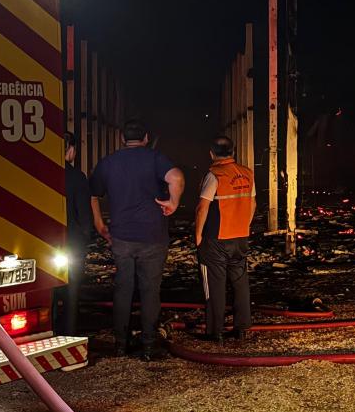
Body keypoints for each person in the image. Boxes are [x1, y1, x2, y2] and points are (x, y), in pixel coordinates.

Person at [89, 119, 184, 357]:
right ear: (146, 138)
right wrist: (173, 203)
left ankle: (120, 344)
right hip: (153, 236)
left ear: (123, 138)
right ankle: (149, 345)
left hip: (122, 237)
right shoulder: (155, 158)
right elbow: (177, 178)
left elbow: (93, 194)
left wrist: (99, 224)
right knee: (150, 291)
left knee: (123, 289)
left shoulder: (108, 162)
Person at [194, 135, 255, 341]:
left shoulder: (214, 175)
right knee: (240, 283)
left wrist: (198, 235)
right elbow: (253, 204)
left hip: (217, 239)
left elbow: (202, 208)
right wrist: (244, 226)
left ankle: (216, 331)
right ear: (233, 151)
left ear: (211, 154)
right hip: (240, 237)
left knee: (215, 285)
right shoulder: (247, 173)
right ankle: (242, 328)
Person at [53, 132, 93, 336]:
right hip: (72, 242)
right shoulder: (77, 177)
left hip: (45, 242)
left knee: (49, 290)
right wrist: (86, 237)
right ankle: (69, 333)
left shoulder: (41, 172)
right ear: (69, 149)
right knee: (72, 291)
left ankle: (50, 330)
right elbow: (84, 214)